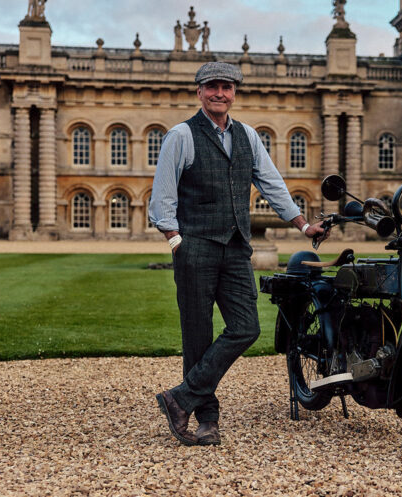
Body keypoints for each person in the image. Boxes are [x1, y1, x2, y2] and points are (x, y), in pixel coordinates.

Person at [148, 62, 327, 446]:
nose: (219, 93)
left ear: (234, 93)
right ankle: (206, 419)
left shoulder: (247, 135)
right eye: (212, 86)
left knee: (246, 327)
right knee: (197, 335)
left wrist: (302, 225)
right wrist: (176, 240)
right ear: (199, 92)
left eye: (226, 87)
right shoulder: (181, 135)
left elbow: (272, 184)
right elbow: (162, 198)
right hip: (194, 246)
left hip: (234, 248)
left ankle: (178, 398)